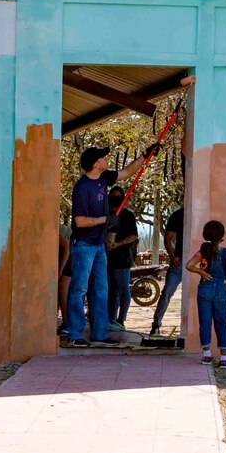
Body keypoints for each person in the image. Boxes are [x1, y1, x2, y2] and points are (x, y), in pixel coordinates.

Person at [66, 143, 159, 348]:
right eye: (103, 157)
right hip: (83, 244)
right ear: (96, 164)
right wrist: (104, 220)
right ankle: (74, 333)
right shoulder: (81, 188)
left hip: (99, 245)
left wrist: (146, 154)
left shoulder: (104, 178)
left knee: (101, 289)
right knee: (80, 288)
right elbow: (80, 221)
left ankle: (100, 333)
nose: (107, 159)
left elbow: (127, 171)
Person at [186, 219, 226, 369]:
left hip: (205, 288)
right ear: (222, 236)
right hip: (222, 289)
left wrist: (202, 272)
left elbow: (189, 265)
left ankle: (206, 354)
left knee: (205, 322)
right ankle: (224, 358)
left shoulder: (203, 252)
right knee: (221, 323)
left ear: (205, 235)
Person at [106, 185, 138, 331]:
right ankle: (110, 319)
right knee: (110, 290)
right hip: (106, 258)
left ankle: (121, 319)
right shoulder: (104, 214)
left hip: (122, 259)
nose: (115, 197)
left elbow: (133, 235)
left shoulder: (127, 215)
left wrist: (118, 244)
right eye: (113, 194)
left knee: (123, 290)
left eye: (119, 195)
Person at [150, 205, 184, 337]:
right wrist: (172, 256)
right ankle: (156, 324)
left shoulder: (202, 212)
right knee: (167, 292)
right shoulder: (178, 215)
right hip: (179, 260)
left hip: (198, 261)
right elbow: (168, 238)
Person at [58, 221, 72, 340]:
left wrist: (60, 270)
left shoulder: (55, 230)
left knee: (63, 290)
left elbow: (66, 247)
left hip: (69, 257)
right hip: (60, 258)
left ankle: (67, 323)